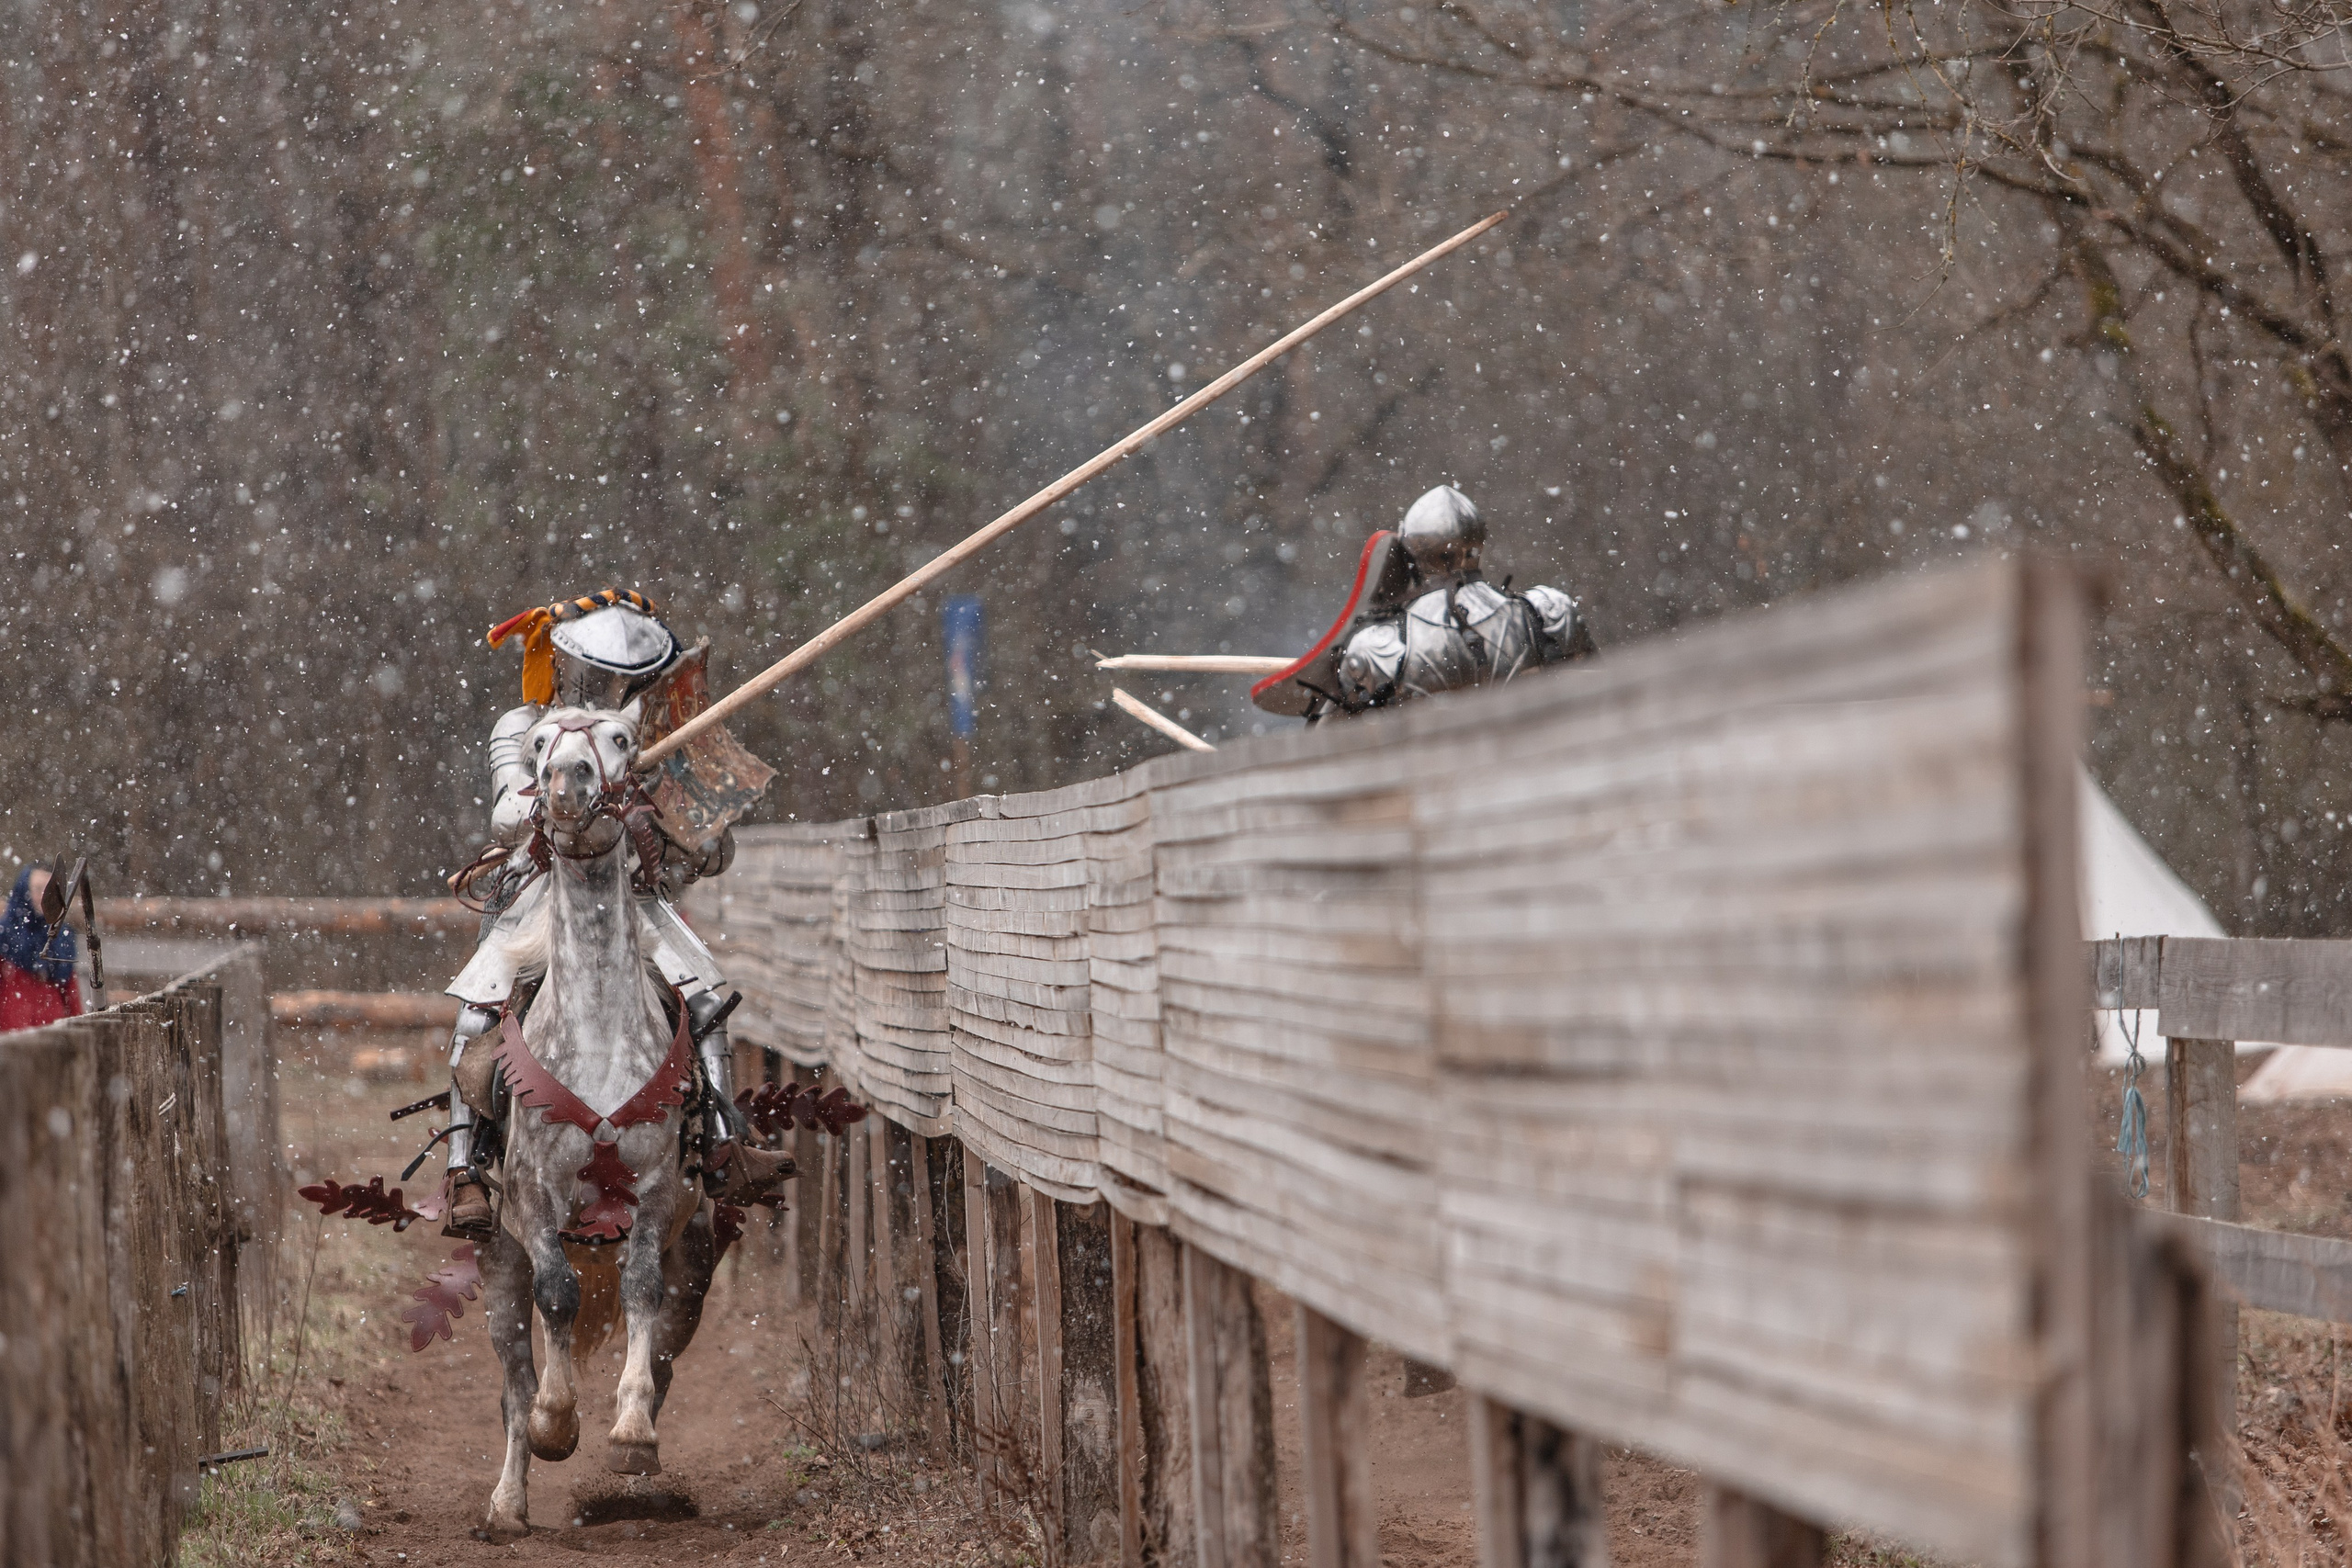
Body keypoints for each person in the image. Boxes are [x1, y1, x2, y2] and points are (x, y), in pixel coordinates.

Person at [438, 588, 787, 1238]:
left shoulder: (658, 741)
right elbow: (506, 815)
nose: (607, 690)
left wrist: (667, 811)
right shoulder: (526, 727)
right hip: (542, 897)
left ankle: (719, 1143)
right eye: (600, 676)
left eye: (625, 681)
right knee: (476, 1007)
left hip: (635, 901)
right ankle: (466, 1166)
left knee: (705, 1001)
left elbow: (716, 850)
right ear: (568, 665)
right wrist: (563, 797)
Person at [1250, 484, 1596, 723]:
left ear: (1409, 552)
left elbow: (1331, 747)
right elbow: (1596, 697)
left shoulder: (1379, 649)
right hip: (1540, 780)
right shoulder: (1547, 612)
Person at [0, 865, 82, 1031]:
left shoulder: (61, 936)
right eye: (38, 888)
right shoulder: (5, 934)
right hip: (11, 1033)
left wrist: (78, 1031)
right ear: (24, 890)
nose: (43, 895)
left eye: (49, 889)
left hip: (54, 1032)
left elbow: (71, 994)